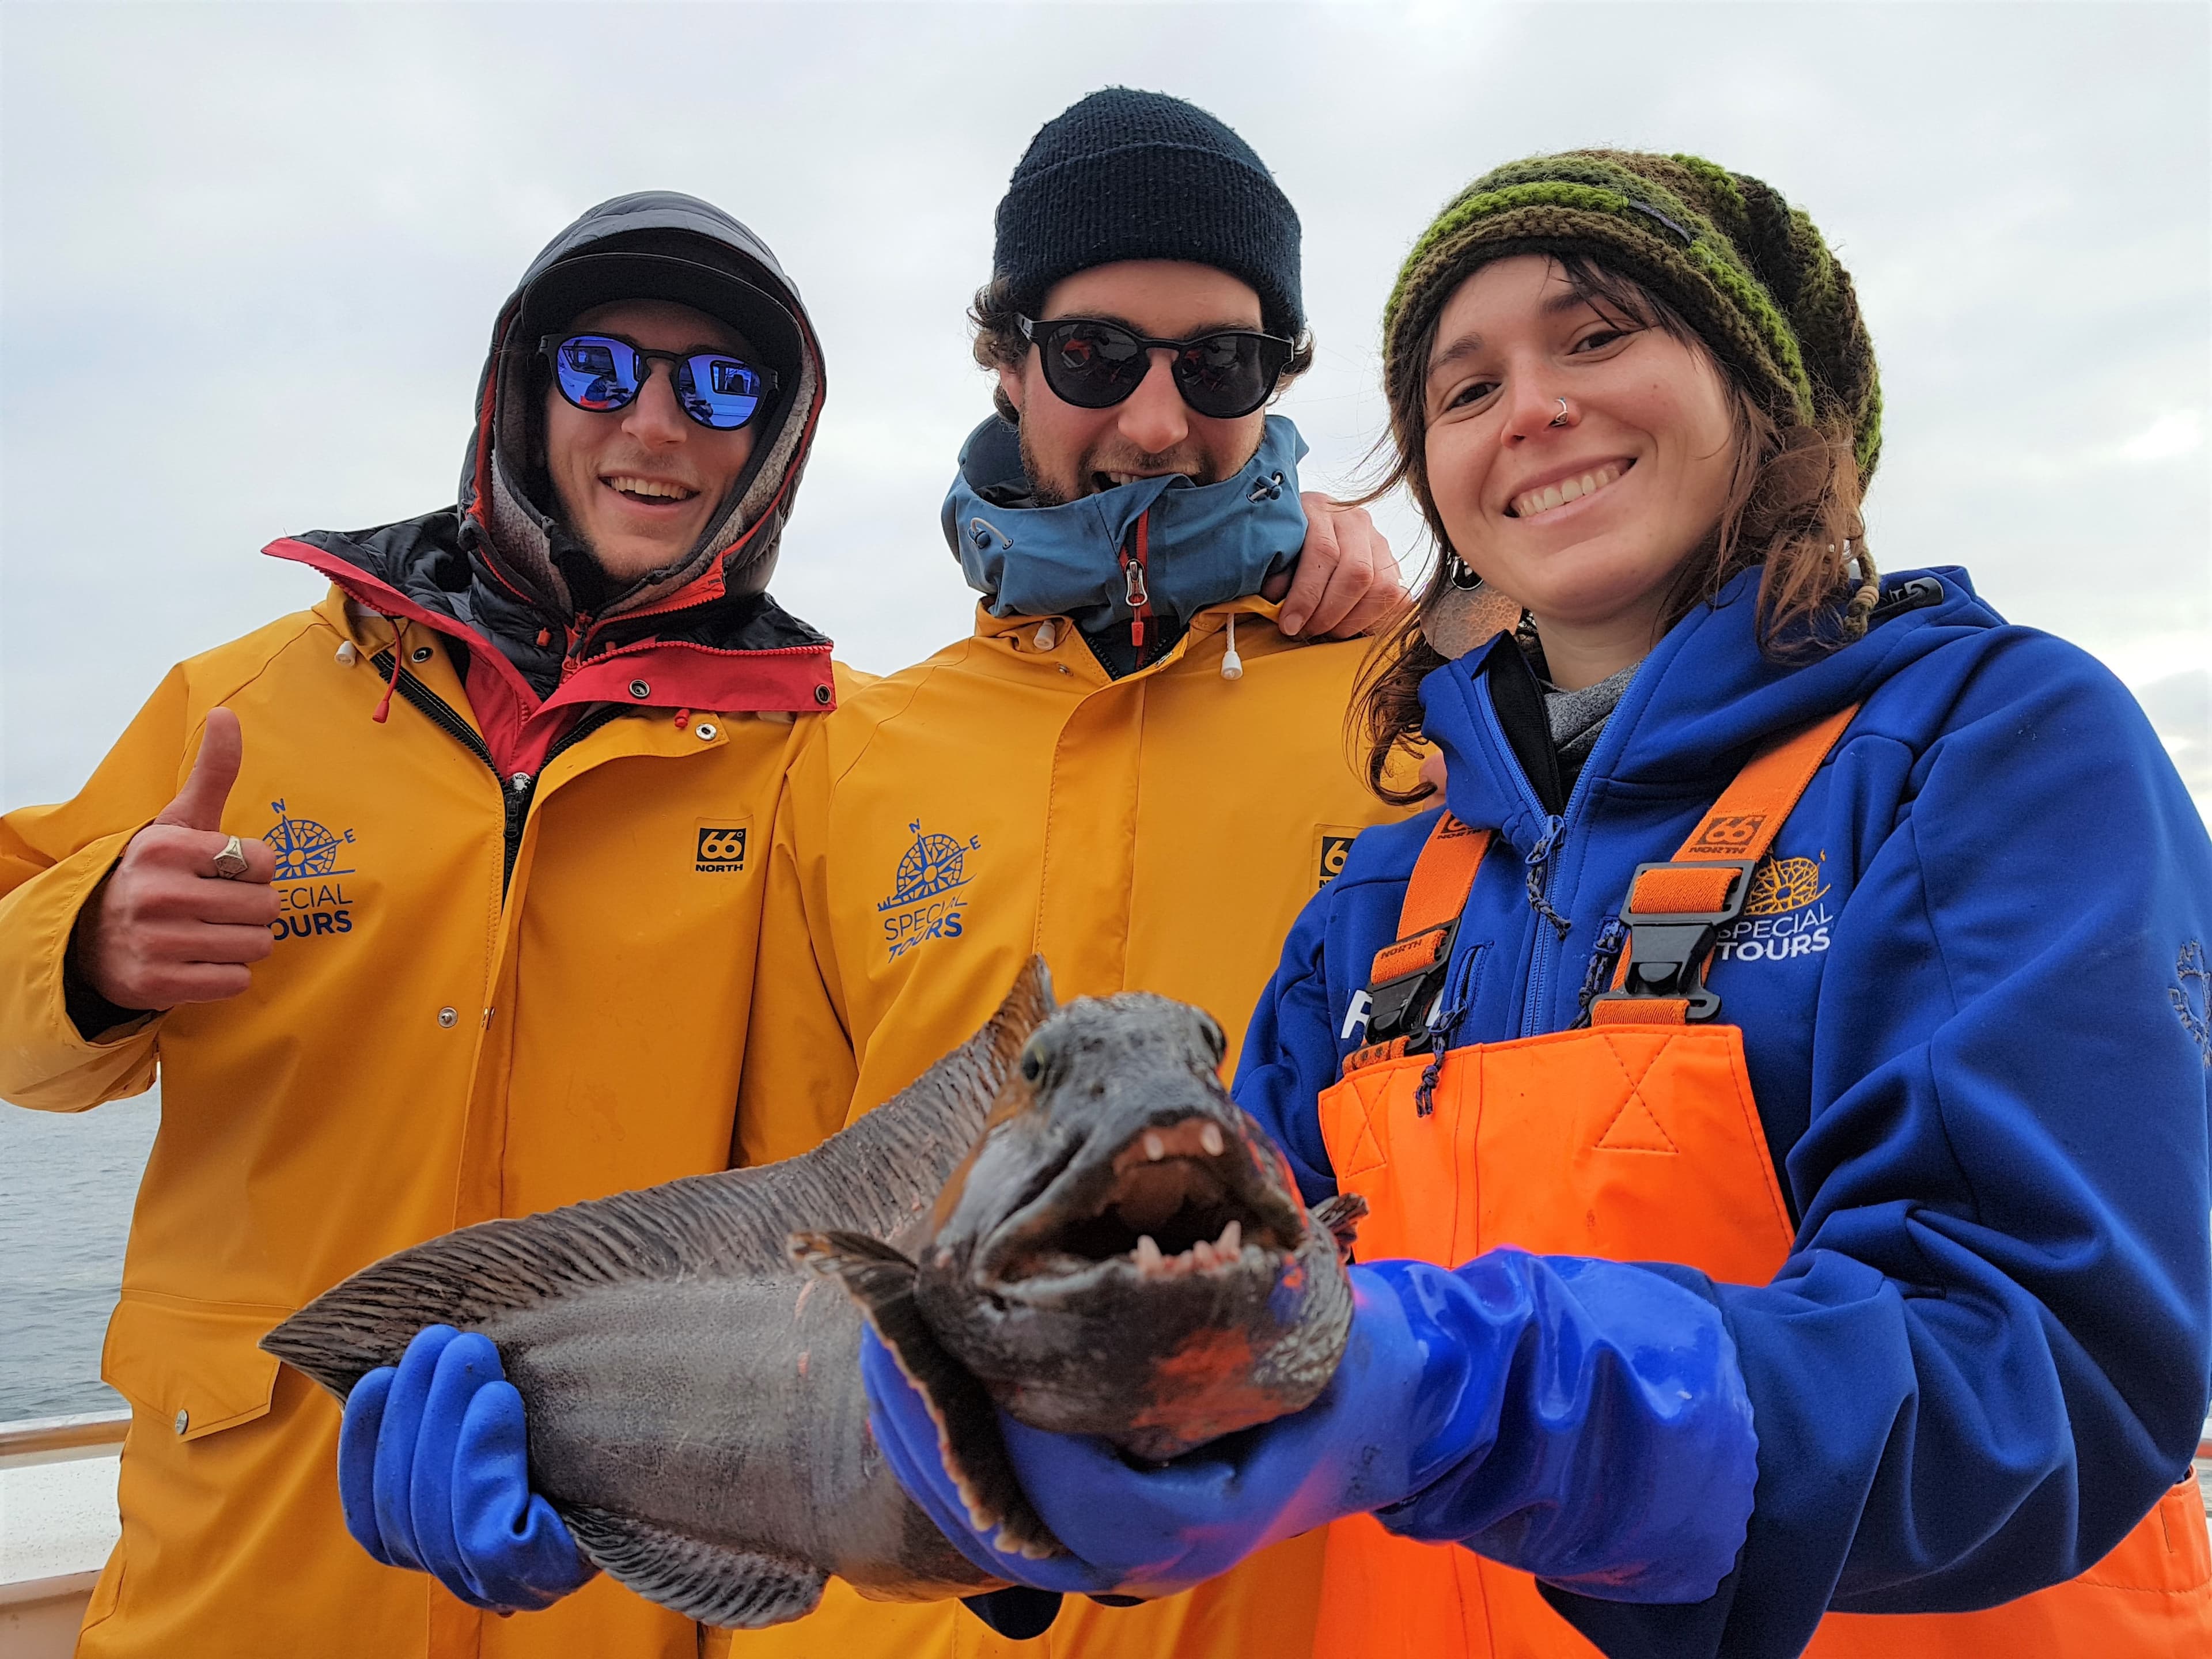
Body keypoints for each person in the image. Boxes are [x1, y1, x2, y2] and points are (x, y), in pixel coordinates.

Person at [863, 151, 2212, 1658]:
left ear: (1763, 387)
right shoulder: (1384, 898)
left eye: (1596, 338)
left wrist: (1480, 1395)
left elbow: (2039, 1376)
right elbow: (1199, 1316)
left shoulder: (1981, 752)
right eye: (1464, 386)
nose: (1532, 409)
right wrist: (1028, 1444)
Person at [0, 192, 844, 1657]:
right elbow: (24, 1032)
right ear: (519, 393)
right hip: (243, 1566)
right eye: (601, 368)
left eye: (721, 384)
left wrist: (1300, 572)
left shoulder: (824, 756)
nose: (654, 425)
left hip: (609, 1576)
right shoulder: (250, 699)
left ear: (771, 440)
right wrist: (84, 946)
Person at [718, 89, 1411, 1659]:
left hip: (1299, 1596)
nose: (1159, 425)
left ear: (1277, 381)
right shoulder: (847, 752)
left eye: (1218, 363)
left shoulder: (1413, 700)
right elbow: (790, 1222)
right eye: (1099, 356)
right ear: (1010, 354)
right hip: (912, 1607)